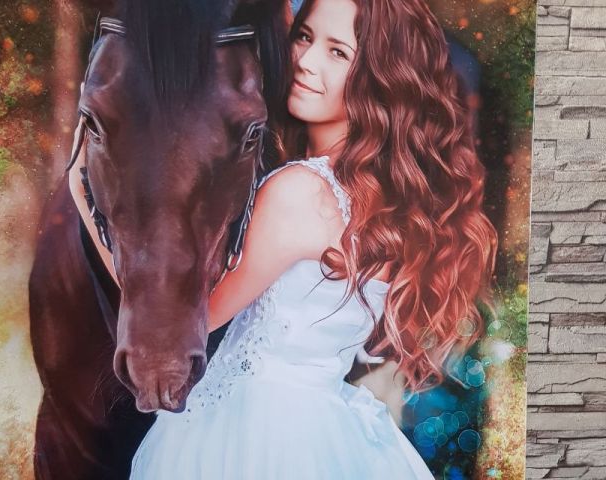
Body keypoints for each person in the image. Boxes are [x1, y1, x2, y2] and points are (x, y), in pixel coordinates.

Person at [125, 0, 497, 478]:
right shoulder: (380, 199)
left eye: (338, 52)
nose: (304, 60)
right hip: (325, 429)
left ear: (379, 78)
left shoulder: (300, 191)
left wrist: (88, 199)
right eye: (304, 36)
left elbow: (186, 319)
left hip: (254, 428)